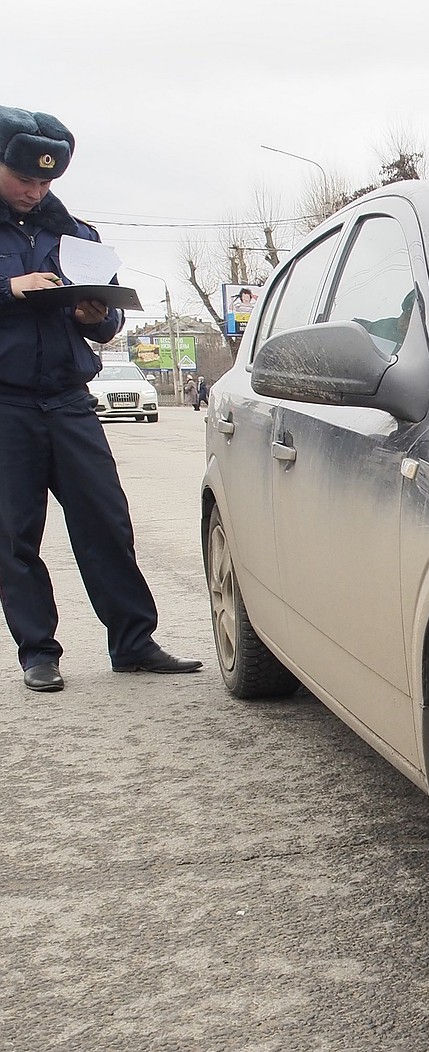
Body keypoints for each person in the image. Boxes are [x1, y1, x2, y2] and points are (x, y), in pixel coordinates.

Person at [0, 106, 201, 692]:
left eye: (46, 181)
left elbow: (108, 320)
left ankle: (133, 642)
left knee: (106, 521)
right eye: (24, 179)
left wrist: (98, 316)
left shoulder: (76, 235)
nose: (36, 190)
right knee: (15, 535)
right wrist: (11, 288)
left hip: (69, 401)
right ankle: (38, 651)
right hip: (6, 404)